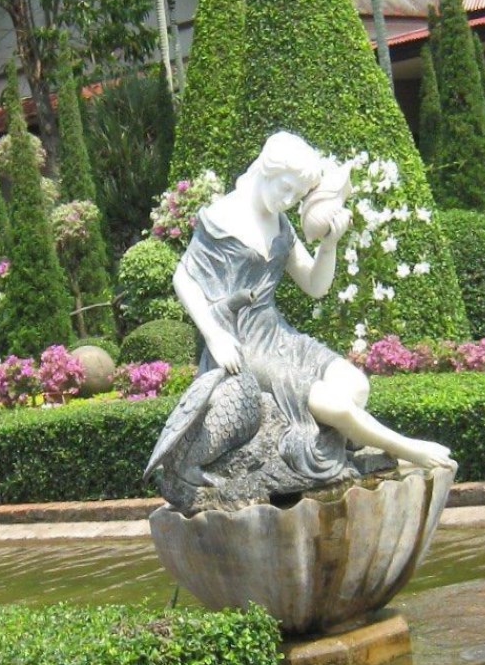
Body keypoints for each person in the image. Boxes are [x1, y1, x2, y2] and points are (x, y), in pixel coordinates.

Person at [162, 131, 454, 485]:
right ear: (265, 170)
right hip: (242, 344)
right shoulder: (222, 216)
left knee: (356, 386)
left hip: (277, 334)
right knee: (336, 407)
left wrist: (329, 244)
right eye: (285, 189)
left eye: (296, 196)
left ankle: (322, 447)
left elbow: (315, 286)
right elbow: (183, 278)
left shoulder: (280, 223)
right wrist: (215, 337)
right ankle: (408, 449)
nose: (287, 201)